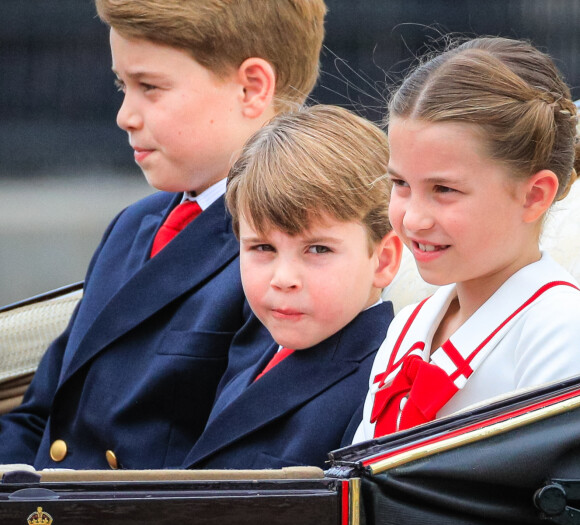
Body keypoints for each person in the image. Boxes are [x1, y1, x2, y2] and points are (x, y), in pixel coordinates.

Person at [0, 0, 327, 469]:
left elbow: (232, 469)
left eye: (149, 87)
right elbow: (40, 414)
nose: (125, 116)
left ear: (252, 88)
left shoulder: (289, 256)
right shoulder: (135, 226)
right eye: (123, 86)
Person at [353, 37, 580, 443]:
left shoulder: (561, 327)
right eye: (400, 183)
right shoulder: (407, 326)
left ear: (534, 195)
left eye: (444, 189)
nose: (414, 218)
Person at [181, 105, 402, 470]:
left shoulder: (380, 386)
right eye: (262, 248)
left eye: (318, 249)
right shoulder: (257, 343)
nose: (283, 278)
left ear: (383, 260)